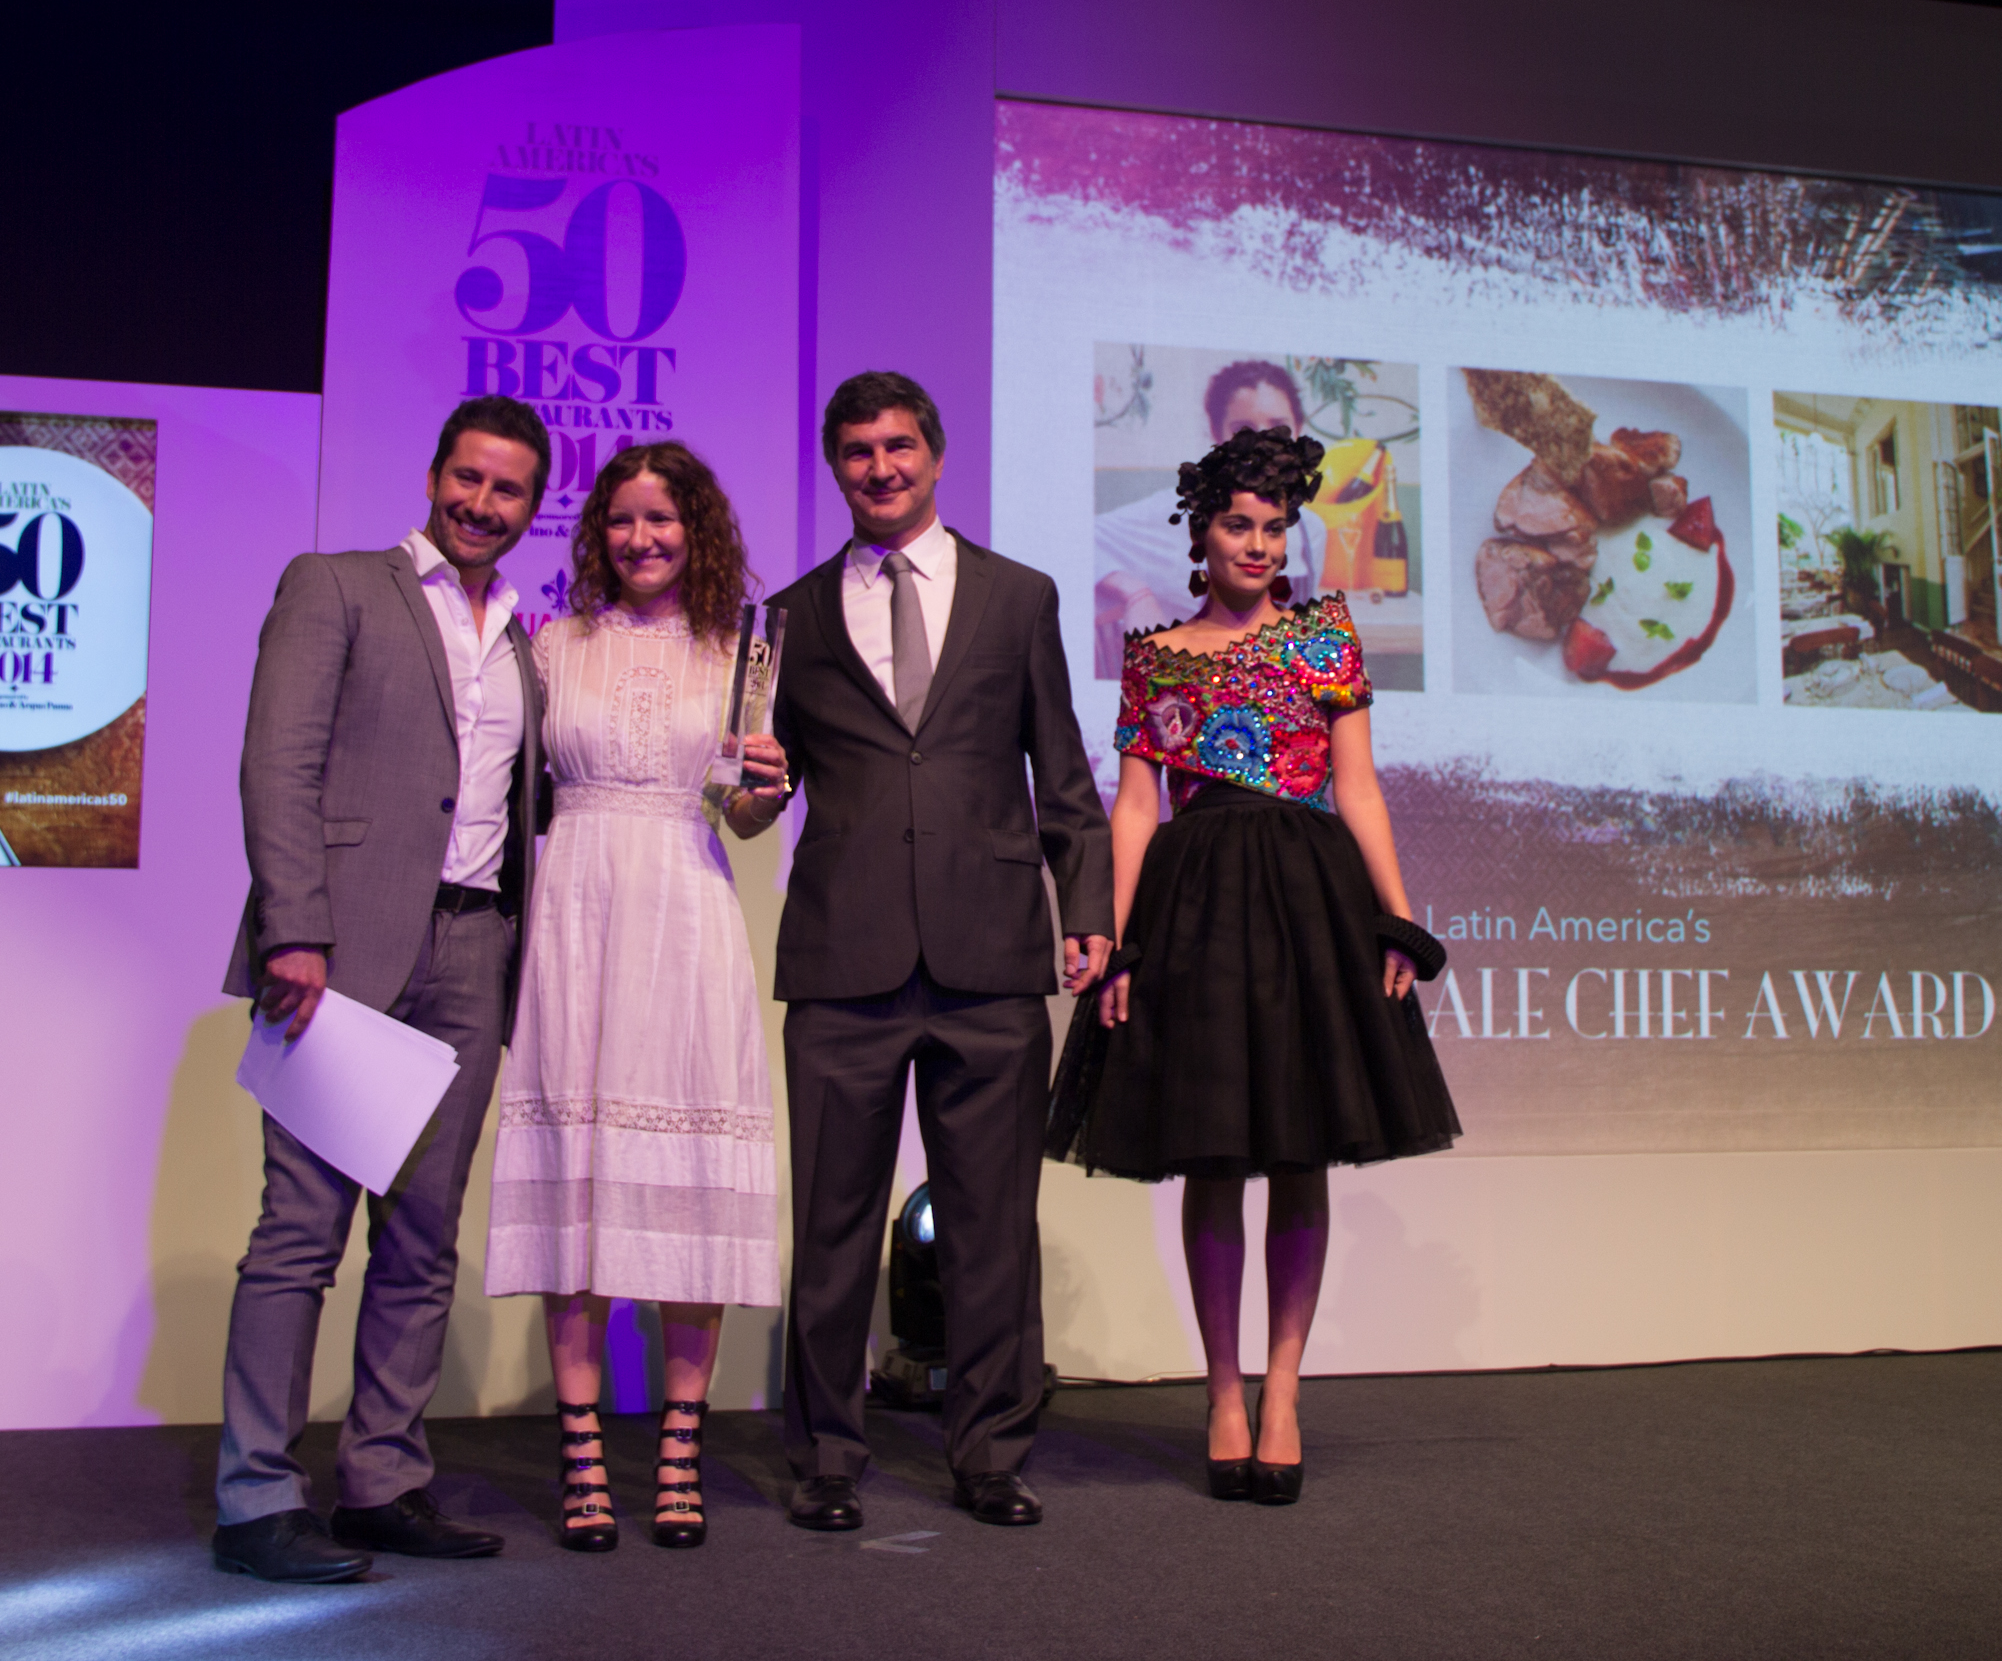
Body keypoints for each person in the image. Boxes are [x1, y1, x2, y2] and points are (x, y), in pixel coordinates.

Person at [1047, 424, 1458, 1507]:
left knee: (1302, 1148)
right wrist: (1118, 940)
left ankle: (1283, 1391)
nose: (1260, 544)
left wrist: (1398, 920)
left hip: (1311, 903)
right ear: (1202, 533)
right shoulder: (1155, 653)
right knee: (1214, 1155)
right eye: (1240, 524)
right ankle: (1223, 1391)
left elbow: (1358, 786)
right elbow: (1136, 808)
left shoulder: (1325, 635)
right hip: (1195, 910)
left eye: (1276, 527)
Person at [747, 371, 1113, 1530]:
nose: (881, 467)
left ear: (937, 455)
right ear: (835, 466)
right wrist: (745, 793)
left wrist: (1086, 902)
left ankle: (991, 1450)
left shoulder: (1019, 596)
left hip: (990, 951)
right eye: (858, 450)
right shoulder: (788, 616)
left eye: (899, 445)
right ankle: (826, 1456)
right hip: (842, 957)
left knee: (992, 1226)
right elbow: (760, 788)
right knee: (833, 1225)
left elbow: (1063, 768)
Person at [211, 395, 550, 1582]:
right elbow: (278, 761)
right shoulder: (338, 585)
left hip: (473, 952)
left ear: (532, 504)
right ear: (434, 473)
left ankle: (383, 1480)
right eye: (468, 477)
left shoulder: (523, 639)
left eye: (507, 488)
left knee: (421, 1237)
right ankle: (256, 1495)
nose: (481, 503)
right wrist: (294, 928)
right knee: (300, 1232)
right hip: (340, 948)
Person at [482, 442, 787, 1552]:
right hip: (574, 913)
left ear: (696, 530)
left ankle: (678, 1447)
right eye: (621, 519)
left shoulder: (741, 652)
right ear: (596, 532)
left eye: (663, 519)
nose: (642, 538)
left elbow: (741, 815)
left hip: (686, 912)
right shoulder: (552, 645)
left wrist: (767, 791)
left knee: (690, 1185)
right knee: (578, 1178)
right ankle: (580, 1453)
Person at [1093, 359, 1329, 675]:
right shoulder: (1177, 515)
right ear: (1217, 437)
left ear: (1298, 433)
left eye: (1279, 428)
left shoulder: (1311, 531)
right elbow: (1077, 537)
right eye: (1242, 430)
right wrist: (1134, 591)